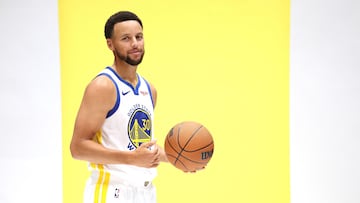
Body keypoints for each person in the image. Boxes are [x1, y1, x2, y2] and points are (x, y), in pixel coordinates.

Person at [70, 11, 168, 203]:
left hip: (145, 193)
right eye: (126, 38)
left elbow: (138, 147)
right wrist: (131, 158)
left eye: (138, 37)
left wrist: (180, 159)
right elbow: (78, 147)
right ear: (110, 44)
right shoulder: (103, 86)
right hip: (111, 193)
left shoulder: (149, 90)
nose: (135, 44)